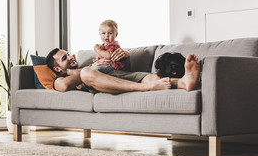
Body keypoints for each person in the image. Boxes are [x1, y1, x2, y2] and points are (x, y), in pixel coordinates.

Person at [45, 48, 201, 94]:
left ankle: (183, 81)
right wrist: (90, 70)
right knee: (86, 73)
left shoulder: (88, 62)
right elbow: (64, 86)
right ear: (58, 68)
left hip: (119, 77)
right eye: (64, 58)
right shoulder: (59, 79)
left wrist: (125, 56)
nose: (70, 58)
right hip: (100, 84)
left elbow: (125, 71)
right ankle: (145, 88)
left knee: (152, 78)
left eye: (68, 54)